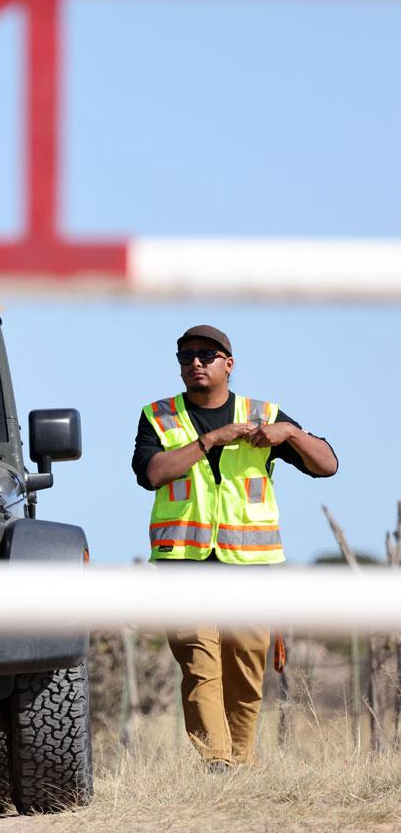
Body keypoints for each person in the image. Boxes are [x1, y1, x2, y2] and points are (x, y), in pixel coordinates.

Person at [131, 324, 337, 770]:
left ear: (229, 363)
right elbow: (152, 474)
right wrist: (210, 441)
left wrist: (289, 434)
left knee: (246, 669)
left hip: (249, 566)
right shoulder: (158, 416)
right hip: (183, 564)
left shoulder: (263, 414)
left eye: (206, 355)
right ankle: (217, 763)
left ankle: (240, 764)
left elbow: (328, 465)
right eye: (186, 357)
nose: (195, 363)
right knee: (201, 666)